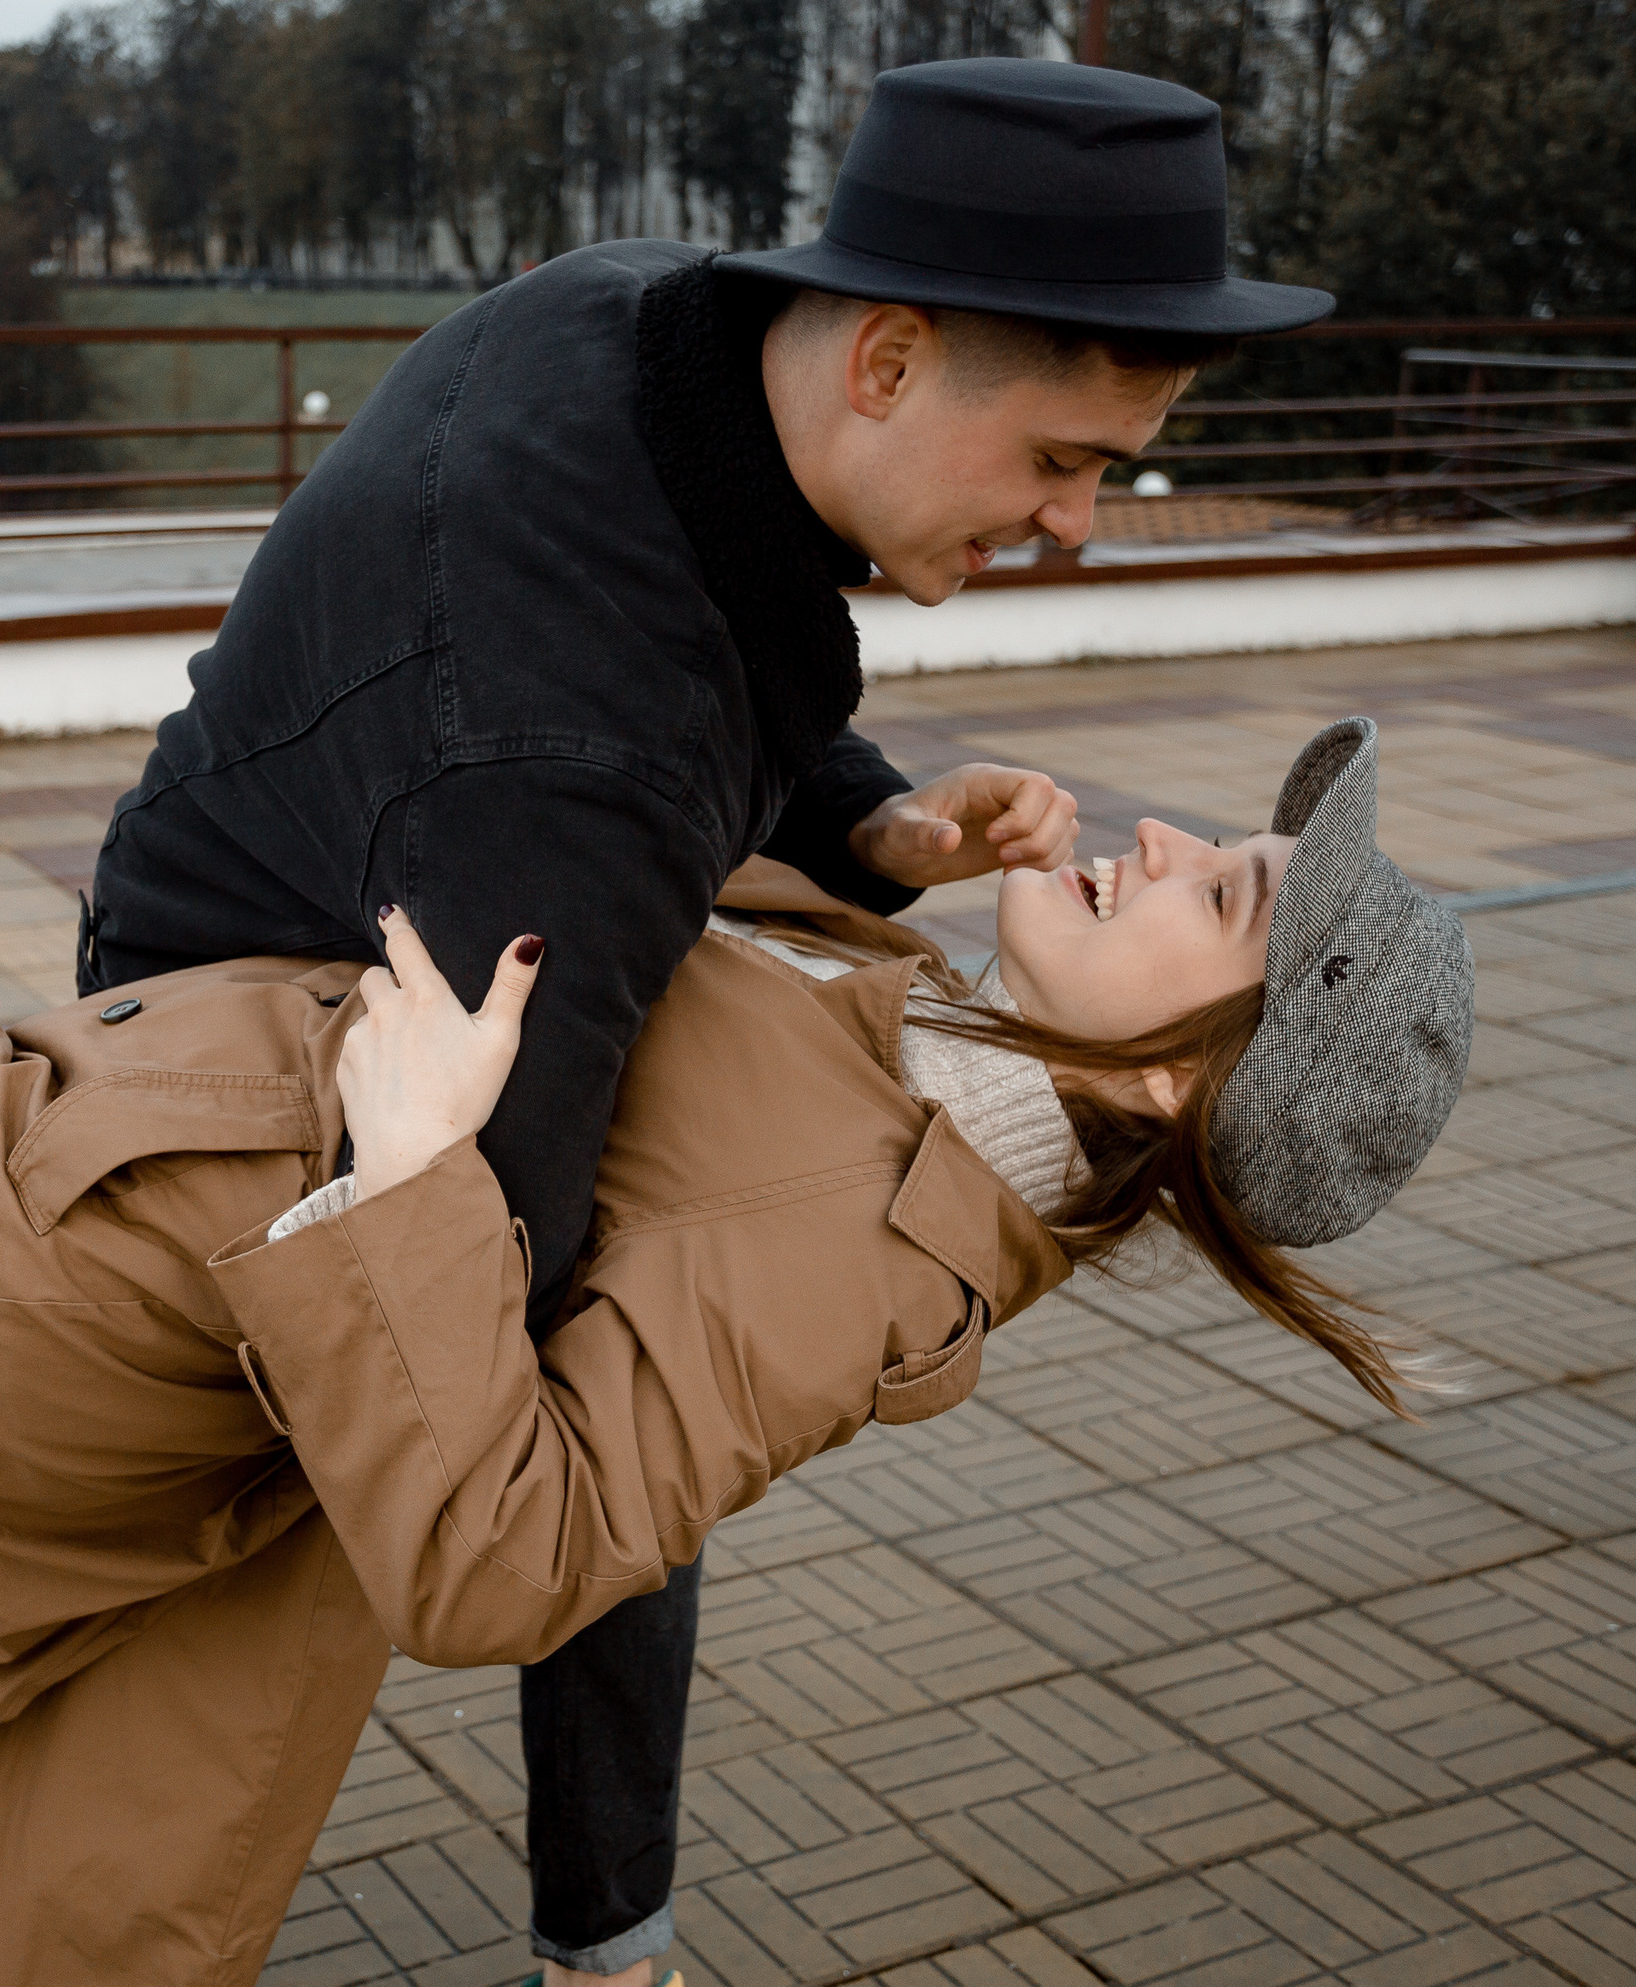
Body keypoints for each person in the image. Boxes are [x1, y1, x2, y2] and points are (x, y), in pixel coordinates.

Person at [0, 715, 1470, 1987]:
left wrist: (406, 1173)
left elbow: (512, 1561)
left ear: (1189, 1079)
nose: (1166, 837)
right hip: (132, 1255)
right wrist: (872, 826)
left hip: (76, 1266)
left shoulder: (873, 1257)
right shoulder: (920, 1039)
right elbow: (667, 855)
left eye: (1224, 893)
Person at [72, 55, 1334, 1985]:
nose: (1080, 525)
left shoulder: (639, 317)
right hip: (239, 1066)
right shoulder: (570, 766)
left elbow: (718, 606)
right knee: (237, 1602)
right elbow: (507, 1361)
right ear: (891, 365)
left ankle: (594, 1923)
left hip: (328, 868)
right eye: (1064, 465)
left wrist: (866, 819)